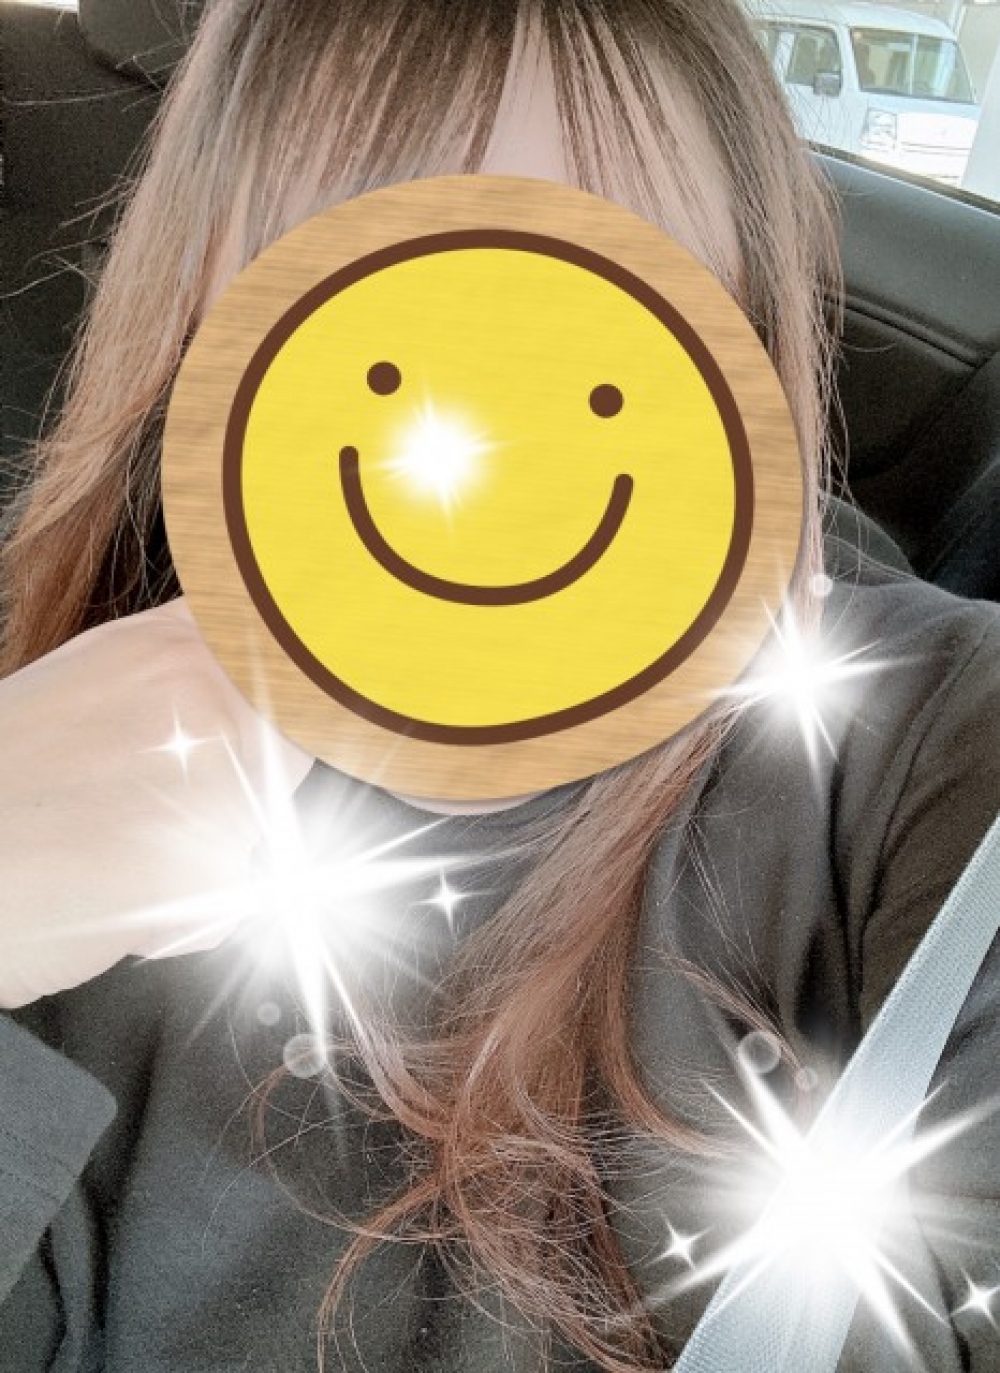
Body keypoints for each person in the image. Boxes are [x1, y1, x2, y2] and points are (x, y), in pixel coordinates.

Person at [0, 2, 998, 1370]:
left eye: (596, 299)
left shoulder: (933, 746)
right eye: (376, 280)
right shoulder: (50, 730)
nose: (477, 431)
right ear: (204, 327)